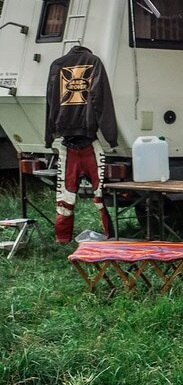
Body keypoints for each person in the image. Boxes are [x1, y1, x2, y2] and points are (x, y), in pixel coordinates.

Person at [45, 45, 117, 242]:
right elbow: (102, 100)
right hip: (90, 142)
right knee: (100, 195)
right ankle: (110, 237)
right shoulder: (94, 62)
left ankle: (62, 239)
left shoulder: (57, 65)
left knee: (65, 196)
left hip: (66, 143)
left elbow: (50, 102)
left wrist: (49, 136)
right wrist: (111, 136)